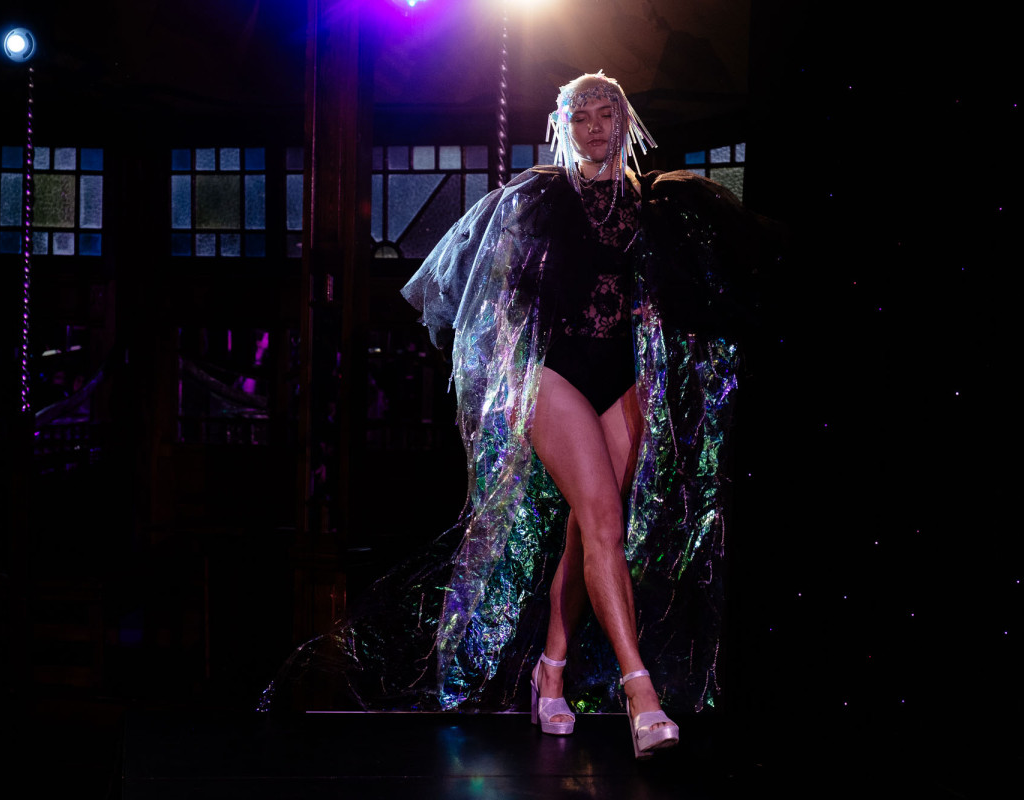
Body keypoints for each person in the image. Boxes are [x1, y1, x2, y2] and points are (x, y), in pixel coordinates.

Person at [259, 72, 763, 761]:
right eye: (580, 116)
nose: (594, 126)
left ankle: (549, 672)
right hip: (555, 374)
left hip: (622, 377)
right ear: (563, 126)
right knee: (602, 521)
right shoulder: (539, 199)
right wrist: (503, 380)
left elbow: (689, 299)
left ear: (626, 121)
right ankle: (640, 693)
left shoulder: (657, 206)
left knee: (594, 529)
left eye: (605, 113)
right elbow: (494, 302)